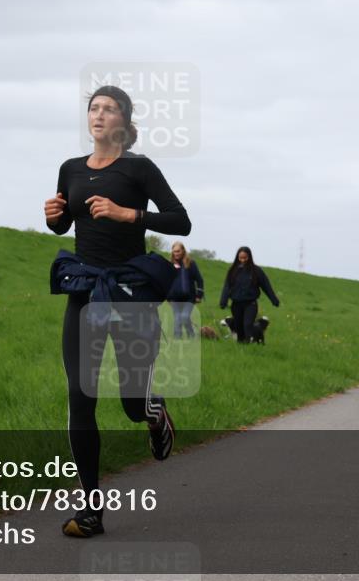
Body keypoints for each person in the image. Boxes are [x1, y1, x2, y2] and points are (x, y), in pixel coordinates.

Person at [45, 85, 191, 538]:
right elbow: (66, 223)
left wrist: (128, 214)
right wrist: (54, 216)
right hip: (86, 291)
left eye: (109, 109)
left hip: (129, 292)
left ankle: (153, 411)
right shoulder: (70, 168)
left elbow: (179, 220)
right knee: (80, 395)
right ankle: (90, 511)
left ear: (125, 125)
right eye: (94, 108)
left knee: (131, 402)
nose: (99, 114)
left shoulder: (139, 169)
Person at [219, 246, 280, 343]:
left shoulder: (256, 271)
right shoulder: (232, 271)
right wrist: (223, 301)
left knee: (247, 325)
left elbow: (266, 286)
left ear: (249, 257)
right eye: (240, 258)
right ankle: (241, 347)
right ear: (237, 257)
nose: (243, 260)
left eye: (245, 258)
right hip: (236, 305)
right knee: (239, 328)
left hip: (250, 304)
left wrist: (274, 300)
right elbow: (227, 287)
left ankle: (248, 344)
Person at [167, 241, 204, 339]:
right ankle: (177, 339)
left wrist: (199, 295)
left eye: (178, 251)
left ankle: (191, 334)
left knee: (184, 317)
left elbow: (199, 280)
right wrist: (167, 297)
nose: (176, 253)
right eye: (174, 251)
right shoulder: (169, 264)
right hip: (174, 298)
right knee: (178, 318)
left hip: (189, 297)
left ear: (183, 250)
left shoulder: (191, 263)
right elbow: (165, 281)